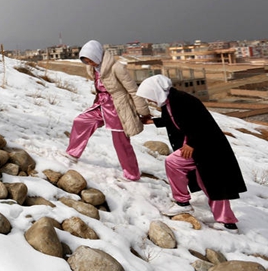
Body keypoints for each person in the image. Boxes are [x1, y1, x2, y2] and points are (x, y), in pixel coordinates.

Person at [138, 75, 247, 231]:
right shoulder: (169, 102)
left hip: (208, 148)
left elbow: (202, 124)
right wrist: (153, 121)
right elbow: (175, 120)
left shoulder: (183, 100)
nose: (150, 101)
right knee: (203, 178)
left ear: (156, 91)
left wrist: (191, 144)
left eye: (150, 96)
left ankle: (226, 223)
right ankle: (191, 206)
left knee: (213, 182)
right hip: (197, 147)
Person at [66, 40, 149, 181]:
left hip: (118, 107)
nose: (89, 64)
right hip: (101, 105)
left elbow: (133, 90)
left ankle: (132, 174)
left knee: (121, 142)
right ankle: (72, 153)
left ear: (97, 56)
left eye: (90, 60)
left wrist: (144, 112)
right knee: (81, 121)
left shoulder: (117, 68)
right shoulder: (92, 68)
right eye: (86, 62)